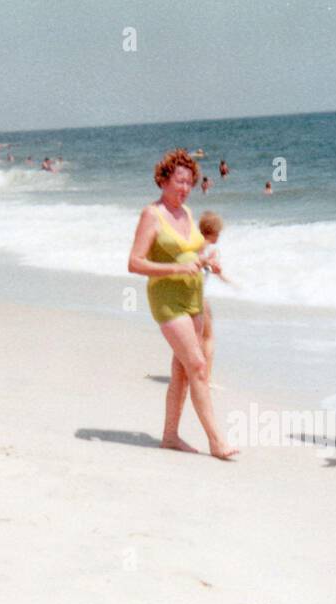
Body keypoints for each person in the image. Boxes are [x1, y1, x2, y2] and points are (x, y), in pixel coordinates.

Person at [127, 149, 237, 460]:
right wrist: (176, 269)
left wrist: (208, 259)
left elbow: (194, 250)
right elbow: (134, 263)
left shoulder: (187, 213)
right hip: (167, 299)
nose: (185, 187)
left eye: (190, 182)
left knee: (181, 370)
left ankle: (170, 436)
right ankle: (217, 441)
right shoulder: (153, 214)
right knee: (199, 365)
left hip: (193, 297)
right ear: (163, 180)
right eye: (179, 181)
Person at [197, 211, 227, 386]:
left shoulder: (193, 244)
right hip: (198, 296)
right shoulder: (209, 248)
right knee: (208, 337)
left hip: (184, 295)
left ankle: (193, 374)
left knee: (195, 337)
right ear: (214, 232)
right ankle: (205, 378)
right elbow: (214, 269)